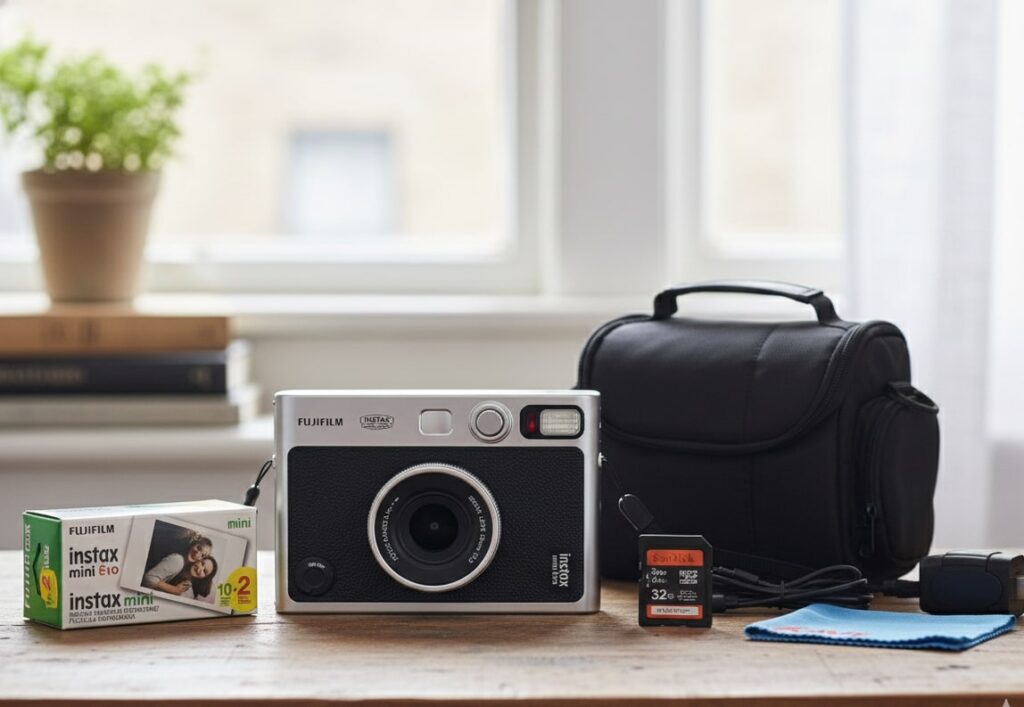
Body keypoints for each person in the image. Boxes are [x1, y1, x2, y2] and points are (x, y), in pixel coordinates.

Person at [143, 554, 218, 599]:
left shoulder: (188, 591)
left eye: (204, 571)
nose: (200, 568)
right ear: (198, 560)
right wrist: (174, 589)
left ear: (204, 578)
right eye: (202, 563)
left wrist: (175, 590)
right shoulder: (179, 564)